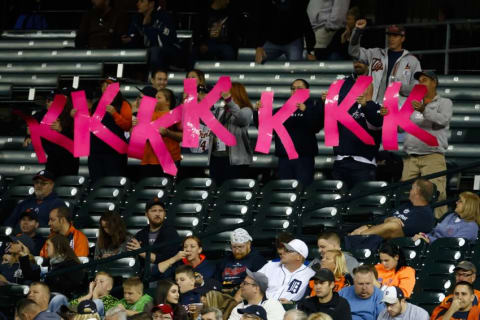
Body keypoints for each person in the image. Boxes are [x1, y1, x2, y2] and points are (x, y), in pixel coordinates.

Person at [400, 70, 453, 219]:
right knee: (405, 194)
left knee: (437, 195)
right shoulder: (412, 103)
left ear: (434, 82)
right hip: (411, 158)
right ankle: (409, 226)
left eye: (424, 80)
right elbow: (400, 126)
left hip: (433, 156)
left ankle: (439, 229)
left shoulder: (444, 102)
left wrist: (424, 110)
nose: (420, 83)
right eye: (419, 81)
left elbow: (443, 120)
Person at [329, 59, 383, 189]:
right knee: (339, 204)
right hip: (341, 160)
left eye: (364, 86)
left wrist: (368, 104)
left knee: (361, 205)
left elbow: (377, 124)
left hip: (364, 163)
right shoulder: (344, 107)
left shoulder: (377, 107)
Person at [259, 79, 323, 186]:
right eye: (293, 89)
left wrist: (305, 110)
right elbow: (267, 130)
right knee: (286, 191)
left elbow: (316, 126)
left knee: (303, 191)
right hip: (285, 158)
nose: (295, 91)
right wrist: (259, 112)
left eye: (299, 88)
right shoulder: (281, 110)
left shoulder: (314, 107)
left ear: (307, 91)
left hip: (304, 158)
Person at [348, 20, 421, 105]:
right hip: (373, 105)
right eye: (389, 35)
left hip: (396, 109)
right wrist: (357, 31)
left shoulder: (412, 61)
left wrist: (400, 87)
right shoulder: (375, 54)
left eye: (395, 35)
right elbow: (353, 52)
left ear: (403, 38)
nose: (391, 38)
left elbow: (417, 89)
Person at [350, 179, 435, 239]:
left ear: (417, 192)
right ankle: (356, 238)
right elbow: (386, 217)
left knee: (393, 226)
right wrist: (390, 219)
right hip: (382, 233)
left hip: (396, 243)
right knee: (361, 229)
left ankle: (361, 238)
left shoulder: (425, 215)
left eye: (412, 188)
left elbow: (403, 230)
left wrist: (391, 221)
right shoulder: (406, 205)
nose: (410, 191)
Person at [24, 90, 79, 178]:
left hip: (68, 158)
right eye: (48, 100)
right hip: (52, 156)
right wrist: (29, 136)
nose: (48, 103)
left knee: (66, 184)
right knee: (50, 182)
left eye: (52, 100)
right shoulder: (42, 114)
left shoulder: (71, 115)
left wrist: (62, 130)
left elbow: (79, 141)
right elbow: (31, 124)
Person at [87, 77, 132, 182]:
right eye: (103, 85)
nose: (105, 88)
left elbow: (127, 126)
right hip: (96, 152)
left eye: (109, 85)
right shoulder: (96, 104)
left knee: (113, 183)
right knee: (96, 183)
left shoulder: (123, 104)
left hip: (114, 153)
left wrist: (115, 114)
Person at [208, 82, 254, 186]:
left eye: (229, 92)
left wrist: (229, 101)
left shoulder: (246, 110)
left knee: (232, 190)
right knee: (217, 189)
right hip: (217, 157)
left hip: (234, 160)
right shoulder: (221, 111)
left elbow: (241, 119)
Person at [127, 198, 181, 276]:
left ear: (165, 214)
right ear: (146, 214)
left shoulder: (171, 233)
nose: (157, 214)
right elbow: (131, 253)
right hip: (145, 276)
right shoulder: (141, 234)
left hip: (166, 277)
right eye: (153, 211)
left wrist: (141, 251)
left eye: (160, 211)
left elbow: (164, 260)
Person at [122, 0, 181, 70]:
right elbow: (133, 34)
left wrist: (146, 26)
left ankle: (155, 78)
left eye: (142, 1)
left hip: (169, 52)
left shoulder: (164, 16)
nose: (137, 4)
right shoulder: (137, 17)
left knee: (155, 52)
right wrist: (130, 38)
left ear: (151, 4)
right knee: (120, 51)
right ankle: (115, 79)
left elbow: (160, 43)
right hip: (148, 51)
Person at [138, 88, 182, 178]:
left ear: (168, 102)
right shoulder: (146, 115)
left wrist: (168, 133)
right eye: (155, 97)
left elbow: (183, 136)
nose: (155, 99)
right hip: (148, 159)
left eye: (159, 97)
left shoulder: (175, 115)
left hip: (168, 158)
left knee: (166, 188)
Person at [258, 239, 315, 303]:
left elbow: (313, 298)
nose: (283, 253)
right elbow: (251, 282)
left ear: (299, 257)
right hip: (264, 304)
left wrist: (292, 304)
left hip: (291, 310)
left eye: (288, 251)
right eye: (285, 250)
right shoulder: (270, 266)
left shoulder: (311, 274)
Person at [413, 191, 480, 244]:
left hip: (448, 256)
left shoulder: (471, 226)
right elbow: (434, 231)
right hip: (432, 248)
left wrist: (429, 240)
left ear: (468, 206)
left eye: (460, 201)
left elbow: (453, 244)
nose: (456, 202)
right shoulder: (451, 216)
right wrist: (424, 236)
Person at [217, 228, 267, 299]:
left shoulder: (258, 260)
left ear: (248, 244)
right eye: (234, 247)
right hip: (223, 292)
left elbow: (258, 284)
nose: (237, 251)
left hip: (243, 293)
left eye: (240, 247)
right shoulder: (225, 260)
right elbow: (216, 280)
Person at [32, 234, 86, 299]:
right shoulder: (49, 263)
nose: (46, 248)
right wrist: (24, 257)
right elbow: (31, 276)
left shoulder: (71, 265)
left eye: (48, 245)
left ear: (57, 246)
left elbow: (72, 288)